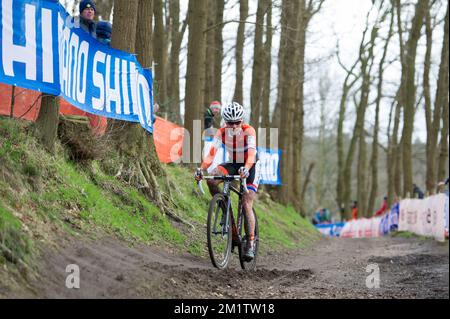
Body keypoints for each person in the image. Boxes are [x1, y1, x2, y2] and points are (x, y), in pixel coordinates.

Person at [195, 102, 259, 261]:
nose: (234, 126)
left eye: (237, 122)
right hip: (233, 163)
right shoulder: (222, 132)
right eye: (230, 123)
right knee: (212, 180)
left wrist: (247, 167)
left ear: (242, 121)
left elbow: (251, 154)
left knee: (246, 202)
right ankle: (225, 210)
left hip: (251, 166)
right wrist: (202, 169)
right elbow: (211, 154)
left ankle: (250, 243)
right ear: (225, 122)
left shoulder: (249, 131)